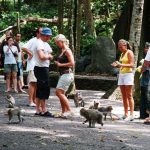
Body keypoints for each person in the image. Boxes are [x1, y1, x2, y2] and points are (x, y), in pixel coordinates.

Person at [111, 39, 134, 121]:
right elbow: (122, 66)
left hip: (128, 75)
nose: (119, 49)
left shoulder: (129, 52)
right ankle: (125, 114)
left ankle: (131, 114)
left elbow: (132, 65)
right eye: (118, 47)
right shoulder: (122, 54)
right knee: (123, 96)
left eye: (121, 47)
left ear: (125, 46)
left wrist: (121, 64)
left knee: (129, 95)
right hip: (121, 75)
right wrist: (117, 65)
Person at [34, 27, 53, 117]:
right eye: (49, 36)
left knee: (39, 89)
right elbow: (42, 56)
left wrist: (48, 55)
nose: (49, 38)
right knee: (44, 88)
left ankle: (38, 110)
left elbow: (50, 52)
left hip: (43, 68)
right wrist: (48, 56)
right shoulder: (39, 43)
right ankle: (44, 110)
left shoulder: (45, 43)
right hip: (41, 68)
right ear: (45, 36)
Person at [54, 34, 75, 118]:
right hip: (63, 74)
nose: (56, 44)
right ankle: (63, 112)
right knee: (61, 93)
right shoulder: (62, 50)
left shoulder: (67, 50)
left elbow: (72, 63)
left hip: (67, 74)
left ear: (62, 41)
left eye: (57, 42)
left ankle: (69, 110)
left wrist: (60, 64)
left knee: (58, 92)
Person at [22, 28, 42, 107]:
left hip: (38, 65)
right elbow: (23, 47)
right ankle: (30, 101)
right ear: (37, 33)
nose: (42, 34)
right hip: (32, 65)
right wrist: (30, 53)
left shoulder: (41, 42)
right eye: (41, 32)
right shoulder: (33, 40)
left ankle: (34, 100)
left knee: (36, 84)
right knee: (32, 83)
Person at [139, 42, 150, 119]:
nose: (145, 50)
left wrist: (142, 69)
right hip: (145, 79)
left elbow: (145, 65)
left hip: (147, 78)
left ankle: (147, 115)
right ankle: (143, 115)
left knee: (146, 96)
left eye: (147, 48)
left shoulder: (148, 54)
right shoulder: (146, 55)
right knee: (144, 96)